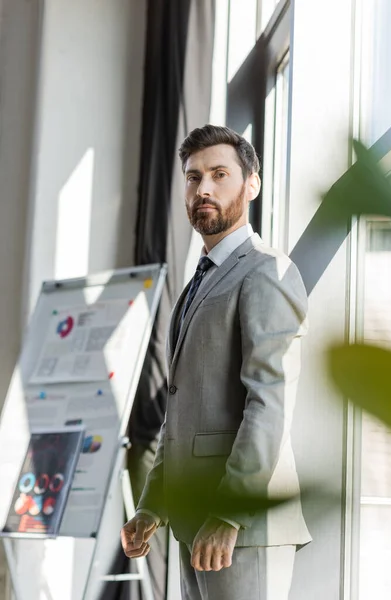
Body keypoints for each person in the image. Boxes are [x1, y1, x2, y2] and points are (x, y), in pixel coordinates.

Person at [121, 125, 311, 599]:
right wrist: (152, 505)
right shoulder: (198, 281)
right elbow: (182, 410)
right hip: (194, 524)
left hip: (242, 527)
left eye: (219, 174)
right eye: (193, 177)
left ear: (251, 184)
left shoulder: (268, 271)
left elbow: (270, 402)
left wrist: (229, 514)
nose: (202, 188)